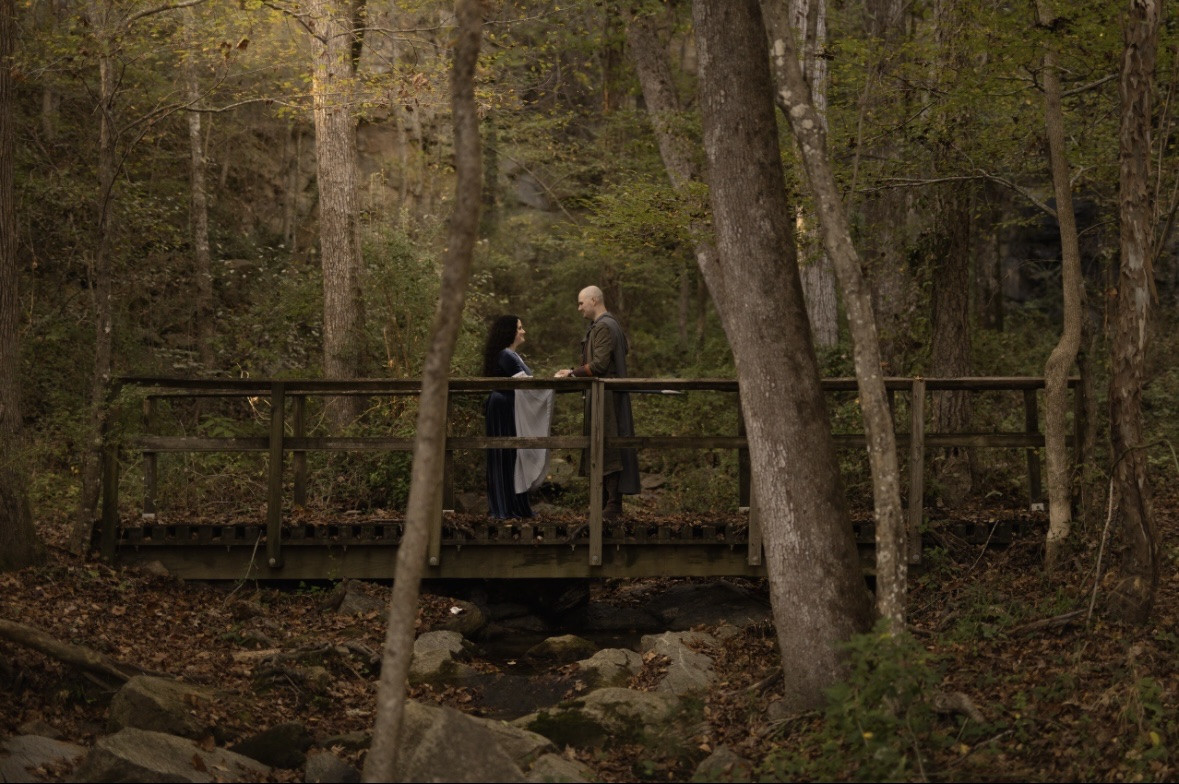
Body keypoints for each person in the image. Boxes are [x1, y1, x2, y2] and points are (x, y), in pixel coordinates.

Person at [554, 286, 640, 519]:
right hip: (606, 396)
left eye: (581, 303)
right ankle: (604, 502)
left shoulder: (604, 326)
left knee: (609, 446)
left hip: (608, 398)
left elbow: (600, 364)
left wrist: (572, 373)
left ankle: (613, 504)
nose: (579, 308)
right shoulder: (607, 325)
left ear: (594, 300)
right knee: (603, 444)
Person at [482, 315, 551, 519]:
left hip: (510, 406)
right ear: (510, 332)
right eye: (520, 328)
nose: (523, 331)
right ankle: (505, 507)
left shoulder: (511, 355)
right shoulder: (505, 355)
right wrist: (553, 383)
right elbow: (526, 385)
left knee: (513, 455)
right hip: (503, 407)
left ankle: (515, 506)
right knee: (506, 455)